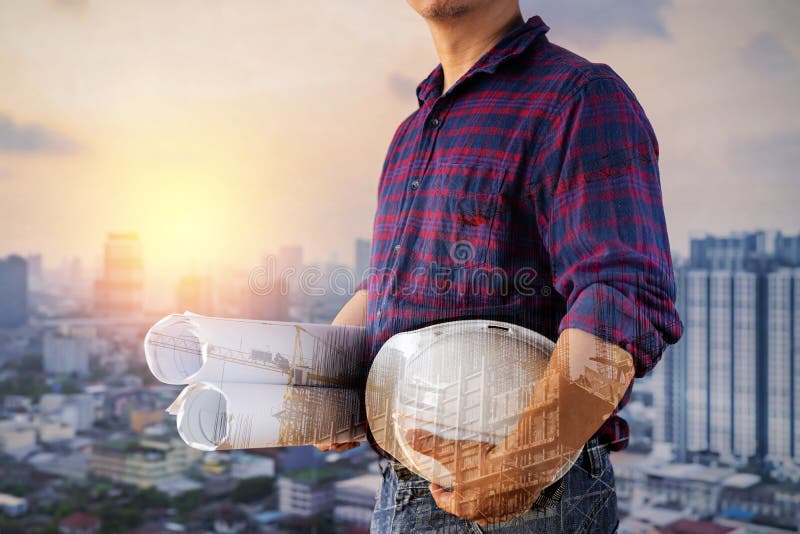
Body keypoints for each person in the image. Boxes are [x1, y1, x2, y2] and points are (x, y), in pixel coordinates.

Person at [319, 1, 683, 531]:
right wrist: (325, 382)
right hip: (402, 488)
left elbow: (620, 296)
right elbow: (390, 283)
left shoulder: (576, 96)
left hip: (528, 497)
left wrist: (519, 469)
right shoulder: (410, 133)